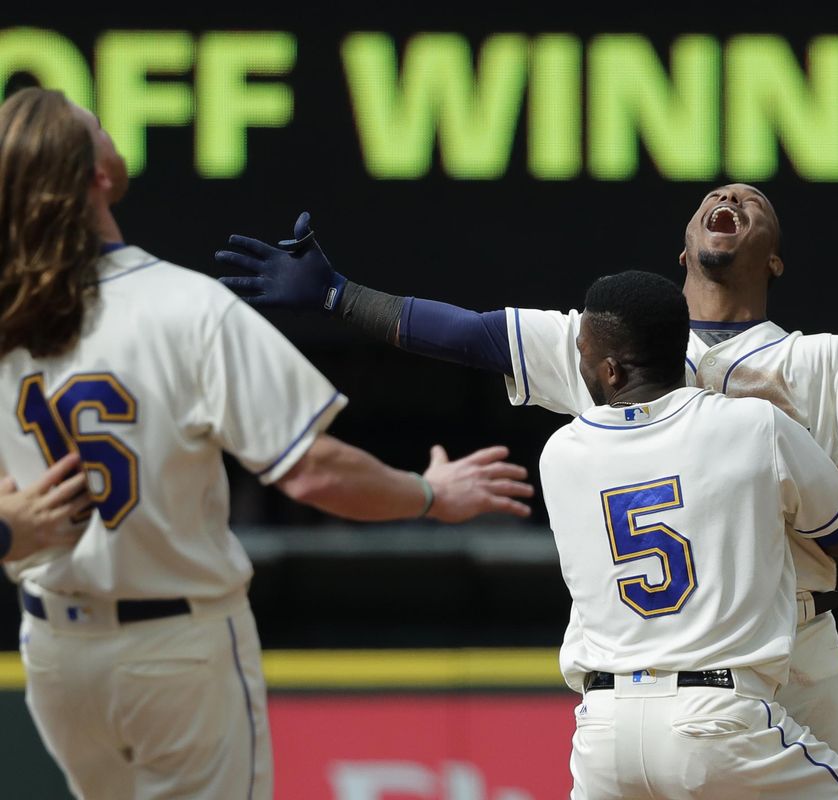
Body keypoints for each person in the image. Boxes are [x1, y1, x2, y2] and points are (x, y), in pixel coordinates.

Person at [215, 184, 838, 792]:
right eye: (715, 198)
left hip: (794, 639)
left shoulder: (815, 364)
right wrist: (342, 299)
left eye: (754, 204)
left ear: (775, 256)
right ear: (683, 247)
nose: (732, 202)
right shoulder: (610, 337)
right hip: (688, 657)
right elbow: (464, 332)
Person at [0, 87, 533, 800]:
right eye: (91, 124)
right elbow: (311, 472)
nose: (102, 120)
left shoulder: (11, 318)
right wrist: (432, 494)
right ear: (95, 175)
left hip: (59, 655)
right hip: (175, 648)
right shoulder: (184, 306)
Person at [543, 269, 838, 799]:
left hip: (602, 734)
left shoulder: (559, 453)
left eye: (583, 351)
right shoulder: (756, 425)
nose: (580, 361)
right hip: (717, 718)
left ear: (610, 369)